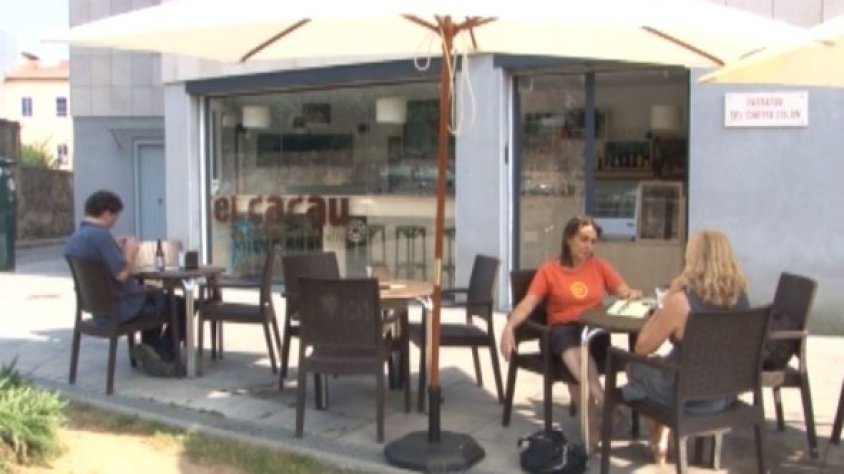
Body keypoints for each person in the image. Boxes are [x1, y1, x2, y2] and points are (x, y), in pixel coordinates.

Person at [499, 215, 642, 445]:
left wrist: (630, 293)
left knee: (584, 356)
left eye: (593, 241)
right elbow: (528, 303)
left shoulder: (599, 266)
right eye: (583, 239)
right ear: (568, 239)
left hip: (593, 332)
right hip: (561, 331)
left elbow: (621, 289)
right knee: (570, 347)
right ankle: (603, 404)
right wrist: (509, 326)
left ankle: (595, 417)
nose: (589, 246)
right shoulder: (549, 270)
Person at [621, 229, 749, 465]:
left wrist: (669, 295)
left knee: (634, 367)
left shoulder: (681, 303)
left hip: (686, 396)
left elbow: (642, 346)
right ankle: (661, 437)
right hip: (726, 393)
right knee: (662, 367)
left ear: (693, 259)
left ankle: (657, 439)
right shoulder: (741, 298)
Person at [64, 190, 185, 377]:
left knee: (156, 298)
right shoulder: (101, 236)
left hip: (99, 310)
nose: (114, 222)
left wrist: (117, 250)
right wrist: (130, 252)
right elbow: (121, 275)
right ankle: (162, 355)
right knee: (180, 304)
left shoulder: (74, 240)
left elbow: (106, 268)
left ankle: (149, 351)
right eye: (115, 217)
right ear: (106, 213)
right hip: (121, 307)